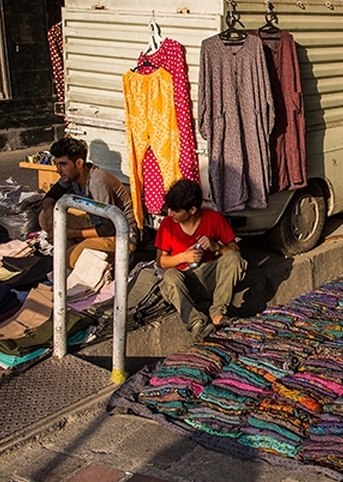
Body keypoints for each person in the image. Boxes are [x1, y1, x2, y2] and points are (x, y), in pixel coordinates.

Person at [155, 178, 246, 342]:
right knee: (170, 277)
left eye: (175, 211)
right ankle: (197, 324)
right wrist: (183, 257)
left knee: (233, 258)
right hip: (184, 281)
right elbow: (160, 261)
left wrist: (216, 247)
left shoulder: (214, 219)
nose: (170, 214)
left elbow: (234, 249)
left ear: (192, 210)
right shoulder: (168, 225)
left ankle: (218, 314)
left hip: (209, 276)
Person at [38, 136, 138, 268]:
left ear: (79, 163)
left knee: (66, 261)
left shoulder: (97, 182)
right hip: (96, 224)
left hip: (120, 235)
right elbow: (49, 198)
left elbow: (108, 228)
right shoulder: (71, 175)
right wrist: (51, 219)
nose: (58, 170)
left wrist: (71, 232)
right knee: (44, 217)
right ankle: (79, 252)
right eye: (57, 164)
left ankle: (98, 256)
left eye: (63, 164)